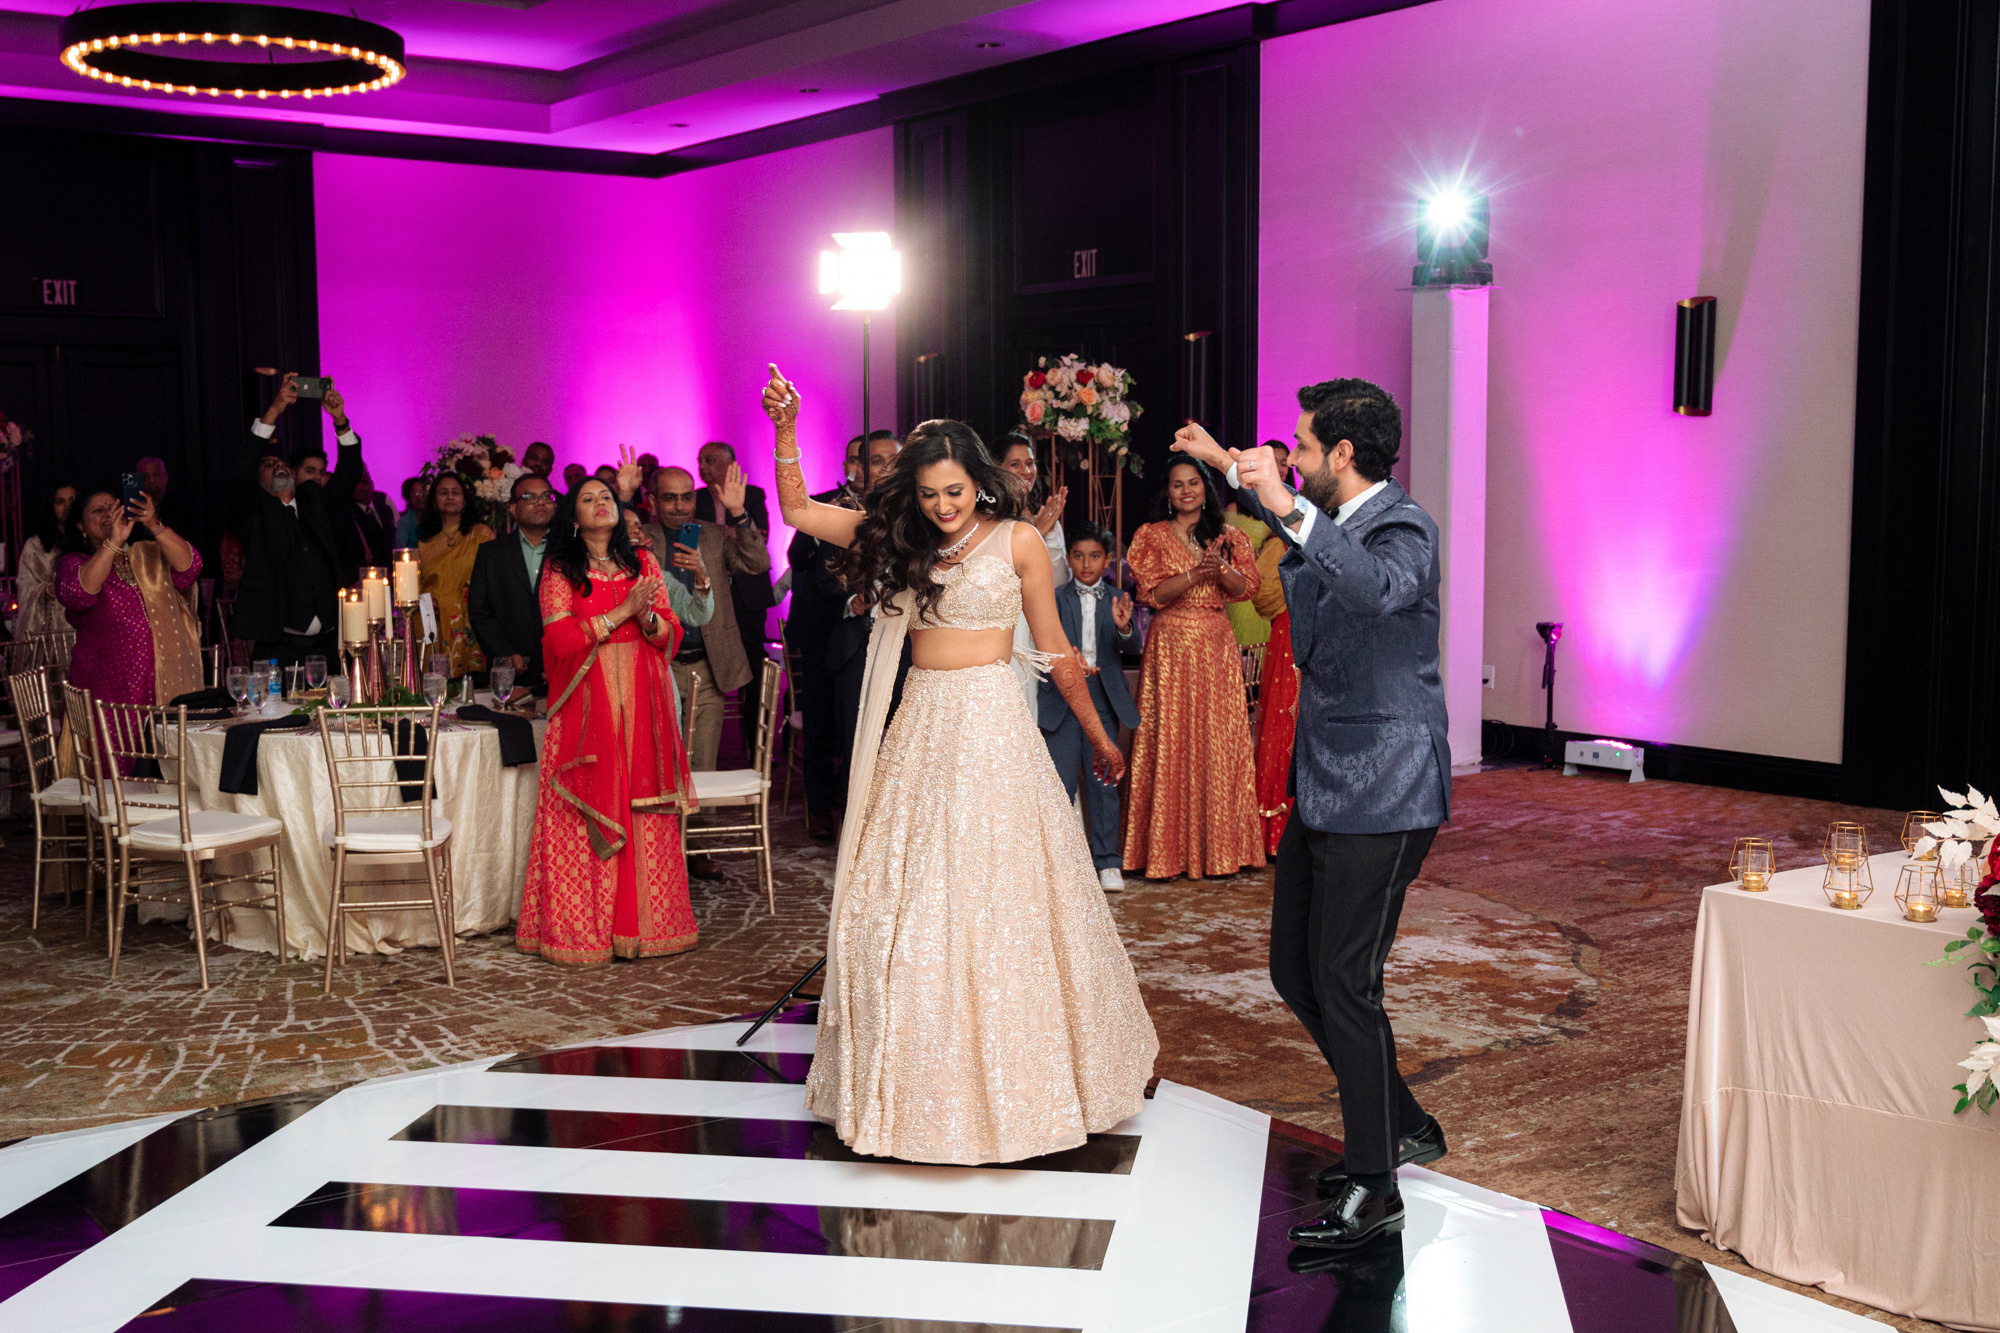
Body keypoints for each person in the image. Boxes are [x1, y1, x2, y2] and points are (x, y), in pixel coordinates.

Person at [764, 367, 1157, 1166]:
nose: (944, 507)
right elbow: (800, 511)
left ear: (981, 482)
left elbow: (1056, 651)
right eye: (931, 494)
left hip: (992, 725)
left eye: (955, 492)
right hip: (922, 725)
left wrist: (1102, 735)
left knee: (1005, 899)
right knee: (904, 904)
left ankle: (1029, 1082)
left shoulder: (1017, 543)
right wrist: (785, 429)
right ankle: (912, 1082)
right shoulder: (901, 537)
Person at [1172, 381, 1451, 1252]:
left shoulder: (1404, 526)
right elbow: (1304, 616)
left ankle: (1378, 1184)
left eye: (1300, 444)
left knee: (1346, 979)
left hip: (1392, 783)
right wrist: (1240, 477)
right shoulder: (1319, 520)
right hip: (1328, 781)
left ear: (1341, 455)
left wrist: (1284, 502)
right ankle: (1399, 1121)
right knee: (1296, 969)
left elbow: (1372, 590)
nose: (1289, 453)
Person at [515, 476, 697, 965]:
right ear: (574, 518)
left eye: (606, 497)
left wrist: (650, 619)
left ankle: (647, 929)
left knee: (641, 803)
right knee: (585, 809)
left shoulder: (643, 561)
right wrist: (621, 613)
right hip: (585, 700)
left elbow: (666, 632)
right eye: (588, 499)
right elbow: (558, 643)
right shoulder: (559, 570)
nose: (600, 504)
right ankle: (583, 933)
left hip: (641, 697)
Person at [1121, 459, 1263, 880]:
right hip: (1170, 645)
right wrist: (1192, 573)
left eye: (1194, 483)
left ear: (1206, 488)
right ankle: (1165, 854)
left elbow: (1246, 589)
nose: (1186, 491)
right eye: (1177, 484)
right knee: (1171, 739)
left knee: (1217, 742)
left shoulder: (1229, 536)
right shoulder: (1151, 536)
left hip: (1215, 642)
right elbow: (1152, 594)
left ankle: (1221, 851)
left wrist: (1218, 567)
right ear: (1167, 491)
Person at [786, 430, 897, 841]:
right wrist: (852, 597)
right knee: (833, 729)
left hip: (906, 643)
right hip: (838, 634)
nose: (885, 468)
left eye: (893, 459)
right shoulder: (832, 509)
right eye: (876, 461)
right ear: (858, 466)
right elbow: (811, 569)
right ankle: (834, 816)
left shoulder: (919, 509)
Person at [640, 465, 769, 774]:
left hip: (709, 664)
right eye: (669, 498)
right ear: (652, 500)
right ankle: (666, 824)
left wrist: (738, 513)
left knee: (703, 765)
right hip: (658, 664)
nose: (680, 506)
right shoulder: (640, 539)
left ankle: (702, 823)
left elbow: (757, 563)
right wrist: (623, 497)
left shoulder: (713, 535)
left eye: (686, 497)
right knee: (661, 763)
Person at [233, 373, 366, 669]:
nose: (278, 465)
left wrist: (340, 420)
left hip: (331, 648)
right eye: (269, 465)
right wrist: (275, 409)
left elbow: (349, 474)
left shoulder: (313, 501)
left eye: (281, 463)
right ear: (259, 478)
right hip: (280, 649)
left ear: (292, 475)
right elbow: (242, 468)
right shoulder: (253, 513)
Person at [1038, 523, 1139, 892]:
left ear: (1108, 559)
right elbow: (1041, 642)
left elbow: (1132, 648)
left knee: (1103, 782)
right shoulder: (1053, 598)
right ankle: (1060, 865)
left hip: (1102, 696)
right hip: (1063, 696)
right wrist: (1066, 661)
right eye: (1078, 556)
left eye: (1094, 556)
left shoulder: (1118, 598)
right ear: (1068, 558)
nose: (1085, 564)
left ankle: (1108, 862)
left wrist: (1125, 630)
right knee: (1059, 783)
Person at [56, 484, 203, 709]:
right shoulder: (74, 563)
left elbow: (191, 567)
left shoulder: (147, 553)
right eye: (97, 511)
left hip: (165, 682)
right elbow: (80, 594)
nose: (108, 514)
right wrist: (113, 543)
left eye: (113, 508)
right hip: (109, 692)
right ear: (80, 525)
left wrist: (154, 524)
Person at [692, 440, 774, 754]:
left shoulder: (751, 495)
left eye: (710, 460)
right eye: (700, 460)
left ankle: (756, 748)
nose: (702, 466)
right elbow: (691, 538)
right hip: (707, 594)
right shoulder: (694, 498)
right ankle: (701, 748)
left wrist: (721, 530)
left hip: (747, 594)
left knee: (753, 670)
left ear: (731, 463)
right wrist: (730, 531)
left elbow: (759, 538)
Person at [468, 473, 559, 688]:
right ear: (513, 508)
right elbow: (479, 610)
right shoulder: (491, 553)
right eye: (529, 497)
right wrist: (504, 653)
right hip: (511, 672)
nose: (540, 502)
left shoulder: (569, 550)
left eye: (546, 496)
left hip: (562, 668)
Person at [1000, 433, 1070, 711]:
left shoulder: (1044, 516)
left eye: (1029, 463)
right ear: (997, 467)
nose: (1025, 471)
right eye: (1014, 464)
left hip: (1034, 626)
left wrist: (1047, 531)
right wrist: (1037, 533)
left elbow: (1060, 582)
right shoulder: (987, 516)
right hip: (1003, 628)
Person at [416, 473, 496, 677]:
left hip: (471, 617)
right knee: (435, 683)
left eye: (455, 492)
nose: (449, 497)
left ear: (464, 500)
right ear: (434, 502)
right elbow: (413, 584)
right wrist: (425, 603)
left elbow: (494, 578)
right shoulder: (424, 541)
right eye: (443, 493)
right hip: (431, 616)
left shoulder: (481, 534)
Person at [1252, 527, 1300, 856]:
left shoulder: (1345, 534)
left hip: (1332, 636)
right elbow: (1263, 595)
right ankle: (1278, 831)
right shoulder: (1280, 543)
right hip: (1290, 637)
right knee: (1285, 721)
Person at [16, 483, 76, 639]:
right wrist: (48, 590)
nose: (67, 507)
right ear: (52, 507)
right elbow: (24, 586)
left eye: (72, 500)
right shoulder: (36, 545)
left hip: (86, 627)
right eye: (60, 502)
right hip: (52, 633)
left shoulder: (92, 540)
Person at [340, 468, 397, 581]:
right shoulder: (346, 515)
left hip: (389, 575)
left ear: (371, 484)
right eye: (355, 484)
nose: (359, 487)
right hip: (363, 577)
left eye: (364, 482)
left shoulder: (384, 509)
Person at [395, 477, 426, 549]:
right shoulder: (404, 522)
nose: (420, 497)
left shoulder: (438, 518)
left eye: (423, 492)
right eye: (415, 494)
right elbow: (401, 549)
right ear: (409, 498)